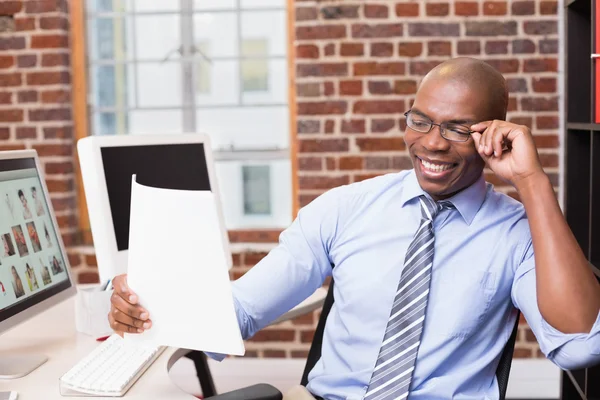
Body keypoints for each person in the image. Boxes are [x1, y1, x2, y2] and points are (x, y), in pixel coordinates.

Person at [107, 58, 600, 399]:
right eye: (421, 121)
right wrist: (139, 301)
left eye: (457, 128)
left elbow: (582, 344)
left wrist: (532, 181)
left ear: (494, 134)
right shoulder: (345, 208)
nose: (432, 144)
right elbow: (239, 310)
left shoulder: (517, 232)